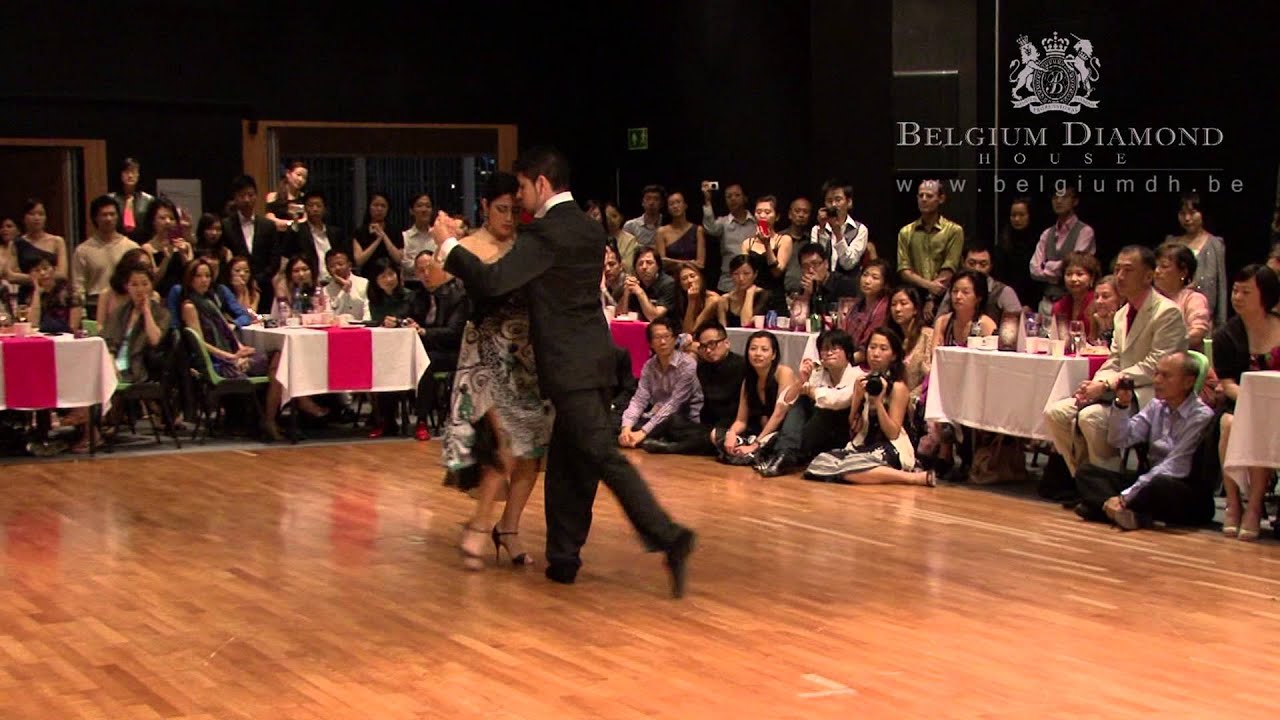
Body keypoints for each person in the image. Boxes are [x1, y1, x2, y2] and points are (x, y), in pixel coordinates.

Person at [436, 148, 695, 597]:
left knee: (600, 457)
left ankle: (671, 536)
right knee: (570, 465)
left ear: (541, 184)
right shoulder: (589, 230)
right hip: (592, 360)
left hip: (570, 367)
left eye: (520, 188)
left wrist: (447, 247)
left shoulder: (546, 234)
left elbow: (494, 282)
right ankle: (563, 558)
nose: (517, 199)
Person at [439, 172, 552, 571]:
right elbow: (436, 278)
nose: (508, 217)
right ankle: (477, 524)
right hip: (486, 354)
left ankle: (509, 528)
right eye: (501, 209)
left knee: (531, 449)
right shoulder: (468, 246)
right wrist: (443, 241)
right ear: (485, 206)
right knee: (502, 442)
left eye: (514, 210)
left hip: (526, 355)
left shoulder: (525, 246)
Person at [1043, 246, 1188, 476]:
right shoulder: (1122, 314)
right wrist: (1095, 385)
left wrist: (1107, 385)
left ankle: (1107, 482)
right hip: (1116, 389)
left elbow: (1156, 366)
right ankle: (1084, 479)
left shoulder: (1166, 313)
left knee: (1092, 418)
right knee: (1056, 413)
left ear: (1148, 275)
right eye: (1117, 269)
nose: (1120, 276)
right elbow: (1114, 359)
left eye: (1128, 270)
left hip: (1148, 393)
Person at [1073, 352, 1214, 531]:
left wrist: (1125, 496)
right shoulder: (1157, 406)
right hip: (1149, 480)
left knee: (1158, 484)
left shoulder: (1200, 416)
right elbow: (1120, 440)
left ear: (1188, 382)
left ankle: (1107, 509)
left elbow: (1176, 466)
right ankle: (1131, 514)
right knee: (1087, 472)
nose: (1157, 380)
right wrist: (1122, 405)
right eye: (1156, 373)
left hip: (1182, 489)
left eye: (1166, 376)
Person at [805, 328, 932, 486]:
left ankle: (912, 478)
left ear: (893, 355)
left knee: (850, 467)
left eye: (883, 349)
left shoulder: (898, 387)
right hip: (864, 443)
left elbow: (893, 433)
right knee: (819, 463)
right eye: (872, 347)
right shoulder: (862, 380)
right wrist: (858, 397)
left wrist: (878, 402)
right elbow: (853, 426)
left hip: (892, 446)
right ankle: (873, 473)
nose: (876, 353)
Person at [1212, 264, 1280, 541]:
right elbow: (1226, 382)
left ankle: (1254, 506)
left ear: (1265, 295)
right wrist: (1252, 400)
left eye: (1246, 292)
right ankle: (1233, 503)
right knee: (1230, 424)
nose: (1237, 297)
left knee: (1263, 424)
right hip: (1240, 404)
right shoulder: (1227, 334)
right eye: (1235, 291)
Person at [755, 329, 859, 477]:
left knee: (822, 409)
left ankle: (782, 453)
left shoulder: (857, 375)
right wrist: (802, 379)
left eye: (834, 349)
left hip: (840, 434)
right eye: (824, 349)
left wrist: (812, 392)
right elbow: (785, 402)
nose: (828, 353)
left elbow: (837, 401)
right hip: (814, 434)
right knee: (801, 401)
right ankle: (785, 454)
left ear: (848, 353)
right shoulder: (818, 373)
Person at [618, 316, 706, 454]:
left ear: (675, 338)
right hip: (656, 416)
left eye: (667, 336)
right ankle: (642, 438)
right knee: (617, 420)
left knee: (673, 422)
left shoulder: (687, 364)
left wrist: (643, 432)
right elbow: (639, 399)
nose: (663, 342)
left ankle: (654, 440)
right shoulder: (649, 366)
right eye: (657, 337)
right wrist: (626, 428)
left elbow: (674, 405)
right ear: (651, 343)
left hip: (683, 419)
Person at [713, 330, 794, 465]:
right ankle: (748, 453)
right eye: (753, 349)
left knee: (773, 443)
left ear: (773, 354)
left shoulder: (783, 373)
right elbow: (741, 420)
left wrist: (756, 444)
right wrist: (731, 433)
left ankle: (753, 452)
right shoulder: (749, 380)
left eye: (764, 349)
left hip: (779, 433)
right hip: (757, 433)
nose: (758, 354)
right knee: (716, 434)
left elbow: (779, 415)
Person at [1030, 185, 1096, 316]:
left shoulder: (1084, 231)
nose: (1059, 201)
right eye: (1055, 197)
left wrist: (1047, 265)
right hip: (1046, 302)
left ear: (1075, 201)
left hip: (1073, 301)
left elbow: (1074, 264)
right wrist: (1058, 271)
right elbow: (1034, 269)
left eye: (1064, 197)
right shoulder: (1047, 233)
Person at [1166, 192, 1227, 326]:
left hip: (1205, 321)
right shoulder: (1171, 244)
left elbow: (1221, 287)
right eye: (1182, 213)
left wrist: (1221, 323)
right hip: (1173, 317)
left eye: (1192, 213)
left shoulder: (1215, 245)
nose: (1187, 218)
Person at [897, 180, 963, 305]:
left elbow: (949, 267)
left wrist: (931, 298)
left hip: (945, 295)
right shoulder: (905, 232)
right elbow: (904, 270)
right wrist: (929, 286)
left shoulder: (954, 230)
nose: (924, 199)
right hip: (913, 296)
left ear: (941, 199)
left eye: (929, 196)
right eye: (920, 195)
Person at [72, 195, 138, 317]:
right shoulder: (83, 250)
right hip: (94, 306)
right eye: (104, 215)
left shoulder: (131, 247)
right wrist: (81, 314)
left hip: (125, 306)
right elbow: (78, 287)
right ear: (95, 218)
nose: (108, 218)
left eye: (112, 214)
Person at [221, 175, 280, 313]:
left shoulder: (268, 226)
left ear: (256, 196)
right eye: (242, 196)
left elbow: (274, 260)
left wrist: (257, 279)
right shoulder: (226, 225)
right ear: (235, 198)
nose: (247, 200)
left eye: (250, 195)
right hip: (234, 289)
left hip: (263, 288)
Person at [1154, 242, 1211, 351]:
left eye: (1164, 266)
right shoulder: (1150, 299)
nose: (1156, 271)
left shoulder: (1194, 299)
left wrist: (1168, 344)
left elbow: (1197, 333)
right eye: (1155, 266)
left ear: (1183, 272)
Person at [741, 195, 793, 315]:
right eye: (758, 212)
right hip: (754, 297)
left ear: (777, 216)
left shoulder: (784, 240)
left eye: (767, 212)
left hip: (776, 297)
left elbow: (777, 272)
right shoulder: (747, 243)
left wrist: (767, 245)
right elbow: (744, 274)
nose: (762, 216)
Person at [701, 182, 755, 292]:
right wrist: (707, 201)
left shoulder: (756, 222)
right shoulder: (723, 222)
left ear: (745, 198)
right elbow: (710, 228)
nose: (733, 199)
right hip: (728, 283)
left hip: (753, 283)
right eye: (728, 196)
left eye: (737, 195)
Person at [810, 179, 869, 277]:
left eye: (838, 200)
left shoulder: (860, 229)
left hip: (848, 287)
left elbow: (848, 264)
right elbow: (816, 261)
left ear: (849, 202)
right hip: (823, 285)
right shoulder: (816, 230)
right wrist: (822, 229)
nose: (833, 205)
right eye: (829, 201)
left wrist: (838, 234)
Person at [290, 191, 351, 284]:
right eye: (311, 206)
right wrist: (294, 222)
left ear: (324, 209)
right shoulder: (299, 231)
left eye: (318, 206)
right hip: (311, 282)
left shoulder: (336, 233)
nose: (315, 209)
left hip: (335, 282)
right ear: (305, 208)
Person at [843, 259, 892, 365]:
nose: (867, 281)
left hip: (869, 363)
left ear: (884, 284)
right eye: (865, 275)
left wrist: (843, 363)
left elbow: (865, 351)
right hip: (849, 357)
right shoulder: (857, 305)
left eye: (875, 278)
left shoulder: (883, 309)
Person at [996, 196, 1036, 310]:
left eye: (1021, 215)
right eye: (1013, 215)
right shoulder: (1003, 241)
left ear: (1030, 216)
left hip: (1030, 301)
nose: (1017, 219)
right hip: (1005, 300)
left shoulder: (1038, 241)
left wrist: (1030, 303)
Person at [1050, 252, 1102, 339]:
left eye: (1079, 274)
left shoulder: (1098, 302)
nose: (1073, 279)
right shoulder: (1059, 306)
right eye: (1069, 274)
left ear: (1092, 277)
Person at [617, 247, 676, 321]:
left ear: (658, 266)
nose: (644, 267)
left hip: (664, 329)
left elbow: (654, 318)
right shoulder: (635, 283)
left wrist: (640, 292)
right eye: (640, 263)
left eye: (649, 263)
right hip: (639, 327)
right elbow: (620, 316)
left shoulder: (668, 284)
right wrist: (626, 293)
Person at [653, 191, 705, 275]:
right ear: (668, 209)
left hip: (692, 276)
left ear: (685, 205)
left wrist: (673, 262)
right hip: (669, 278)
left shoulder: (698, 230)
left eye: (678, 202)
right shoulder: (661, 231)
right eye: (671, 204)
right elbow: (661, 261)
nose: (675, 206)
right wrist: (687, 262)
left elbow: (700, 264)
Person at [352, 192, 405, 275]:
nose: (379, 209)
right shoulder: (360, 232)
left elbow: (398, 258)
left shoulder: (395, 230)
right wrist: (378, 240)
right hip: (368, 275)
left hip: (390, 275)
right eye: (375, 205)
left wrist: (383, 235)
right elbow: (359, 260)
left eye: (383, 206)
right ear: (369, 207)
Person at [108, 157, 155, 240]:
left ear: (138, 175)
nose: (130, 175)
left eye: (133, 172)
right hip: (116, 243)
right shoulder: (110, 199)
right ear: (120, 174)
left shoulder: (149, 200)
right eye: (126, 172)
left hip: (142, 244)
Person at [716, 254, 766, 328]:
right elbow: (722, 330)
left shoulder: (764, 296)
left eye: (746, 274)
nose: (741, 278)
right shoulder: (725, 299)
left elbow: (745, 323)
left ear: (755, 274)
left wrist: (749, 294)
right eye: (736, 274)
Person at [673, 265, 719, 335]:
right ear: (680, 284)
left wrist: (692, 301)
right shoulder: (680, 300)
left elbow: (692, 331)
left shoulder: (712, 299)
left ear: (700, 277)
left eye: (692, 276)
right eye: (684, 279)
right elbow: (685, 334)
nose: (690, 281)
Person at [264, 161, 308, 232]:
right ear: (288, 174)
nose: (301, 179)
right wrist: (291, 223)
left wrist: (284, 224)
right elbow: (269, 218)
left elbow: (305, 220)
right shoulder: (273, 196)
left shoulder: (304, 198)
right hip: (277, 237)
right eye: (298, 175)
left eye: (304, 177)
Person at [623, 185, 664, 249]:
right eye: (648, 199)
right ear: (642, 202)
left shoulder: (667, 223)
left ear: (662, 203)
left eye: (656, 199)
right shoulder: (630, 226)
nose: (651, 203)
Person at [603, 201, 639, 272]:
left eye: (614, 216)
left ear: (621, 217)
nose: (611, 220)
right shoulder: (598, 237)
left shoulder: (630, 239)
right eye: (607, 217)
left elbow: (629, 266)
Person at [1090, 275, 1120, 346]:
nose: (1099, 301)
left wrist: (1107, 330)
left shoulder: (1125, 322)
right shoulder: (1096, 319)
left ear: (1119, 298)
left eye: (1105, 296)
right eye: (1096, 297)